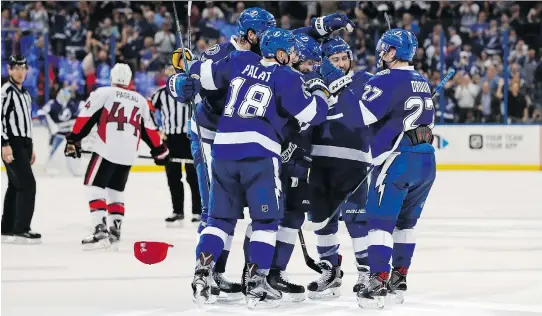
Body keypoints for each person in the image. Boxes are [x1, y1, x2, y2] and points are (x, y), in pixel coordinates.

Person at [170, 27, 332, 308]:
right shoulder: (287, 76)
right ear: (281, 54)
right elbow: (313, 114)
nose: (294, 56)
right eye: (291, 51)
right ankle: (257, 284)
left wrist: (182, 70)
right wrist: (320, 90)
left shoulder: (240, 60)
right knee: (266, 222)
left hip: (222, 151)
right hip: (259, 154)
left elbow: (200, 73)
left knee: (218, 220)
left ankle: (202, 274)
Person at [330, 29, 436, 309]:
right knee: (406, 224)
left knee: (379, 224)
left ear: (393, 53)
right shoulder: (421, 80)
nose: (381, 54)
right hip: (426, 162)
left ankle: (377, 281)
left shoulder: (388, 80)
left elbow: (359, 117)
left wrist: (339, 88)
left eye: (385, 49)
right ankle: (399, 279)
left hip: (396, 161)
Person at [64, 63, 169, 250]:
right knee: (116, 191)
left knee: (93, 185)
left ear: (112, 78)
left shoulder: (102, 93)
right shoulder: (139, 100)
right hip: (128, 154)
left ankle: (100, 231)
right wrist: (159, 150)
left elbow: (85, 118)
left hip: (106, 148)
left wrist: (73, 139)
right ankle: (115, 231)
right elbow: (149, 130)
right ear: (129, 80)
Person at [305, 37, 374, 300]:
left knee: (357, 219)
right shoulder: (314, 84)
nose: (342, 64)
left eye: (345, 58)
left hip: (353, 161)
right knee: (322, 220)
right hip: (319, 162)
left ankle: (366, 271)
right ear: (324, 62)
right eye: (335, 60)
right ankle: (330, 271)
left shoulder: (364, 80)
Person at [266, 33, 322, 302]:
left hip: (296, 162)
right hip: (272, 159)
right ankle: (258, 273)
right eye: (309, 62)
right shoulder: (282, 78)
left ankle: (274, 272)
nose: (312, 68)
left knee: (292, 216)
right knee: (266, 218)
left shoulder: (298, 79)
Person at [149, 66, 201, 226]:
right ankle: (177, 211)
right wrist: (157, 130)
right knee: (173, 177)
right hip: (170, 138)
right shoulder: (161, 93)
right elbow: (148, 111)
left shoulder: (192, 90)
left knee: (193, 176)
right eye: (170, 69)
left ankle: (197, 212)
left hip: (190, 137)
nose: (173, 72)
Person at [1, 55, 40, 244]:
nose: (20, 72)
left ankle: (7, 228)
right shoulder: (6, 91)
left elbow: (26, 124)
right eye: (16, 68)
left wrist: (30, 147)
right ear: (9, 70)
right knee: (28, 185)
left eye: (23, 68)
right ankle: (21, 228)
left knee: (15, 185)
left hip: (23, 144)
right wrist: (4, 144)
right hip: (12, 143)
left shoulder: (25, 94)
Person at [37, 87, 84, 176]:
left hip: (69, 134)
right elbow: (41, 113)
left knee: (72, 154)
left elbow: (82, 107)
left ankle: (74, 170)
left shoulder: (72, 104)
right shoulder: (52, 104)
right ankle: (50, 169)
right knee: (54, 153)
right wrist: (50, 124)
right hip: (58, 135)